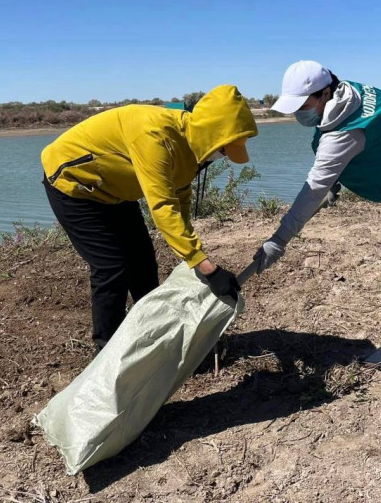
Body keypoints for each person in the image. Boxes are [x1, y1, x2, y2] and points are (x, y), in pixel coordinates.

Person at [254, 61, 381, 366]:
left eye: (303, 104)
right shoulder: (351, 94)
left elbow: (313, 188)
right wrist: (336, 182)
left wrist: (279, 239)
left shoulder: (344, 130)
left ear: (324, 92)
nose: (298, 113)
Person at [42, 85, 257, 350]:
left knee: (143, 262)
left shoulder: (191, 146)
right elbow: (163, 206)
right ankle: (107, 350)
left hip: (116, 192)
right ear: (210, 134)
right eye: (224, 150)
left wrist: (194, 253)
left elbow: (181, 197)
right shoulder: (154, 135)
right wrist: (207, 268)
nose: (222, 157)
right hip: (74, 186)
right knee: (112, 266)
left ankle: (153, 337)